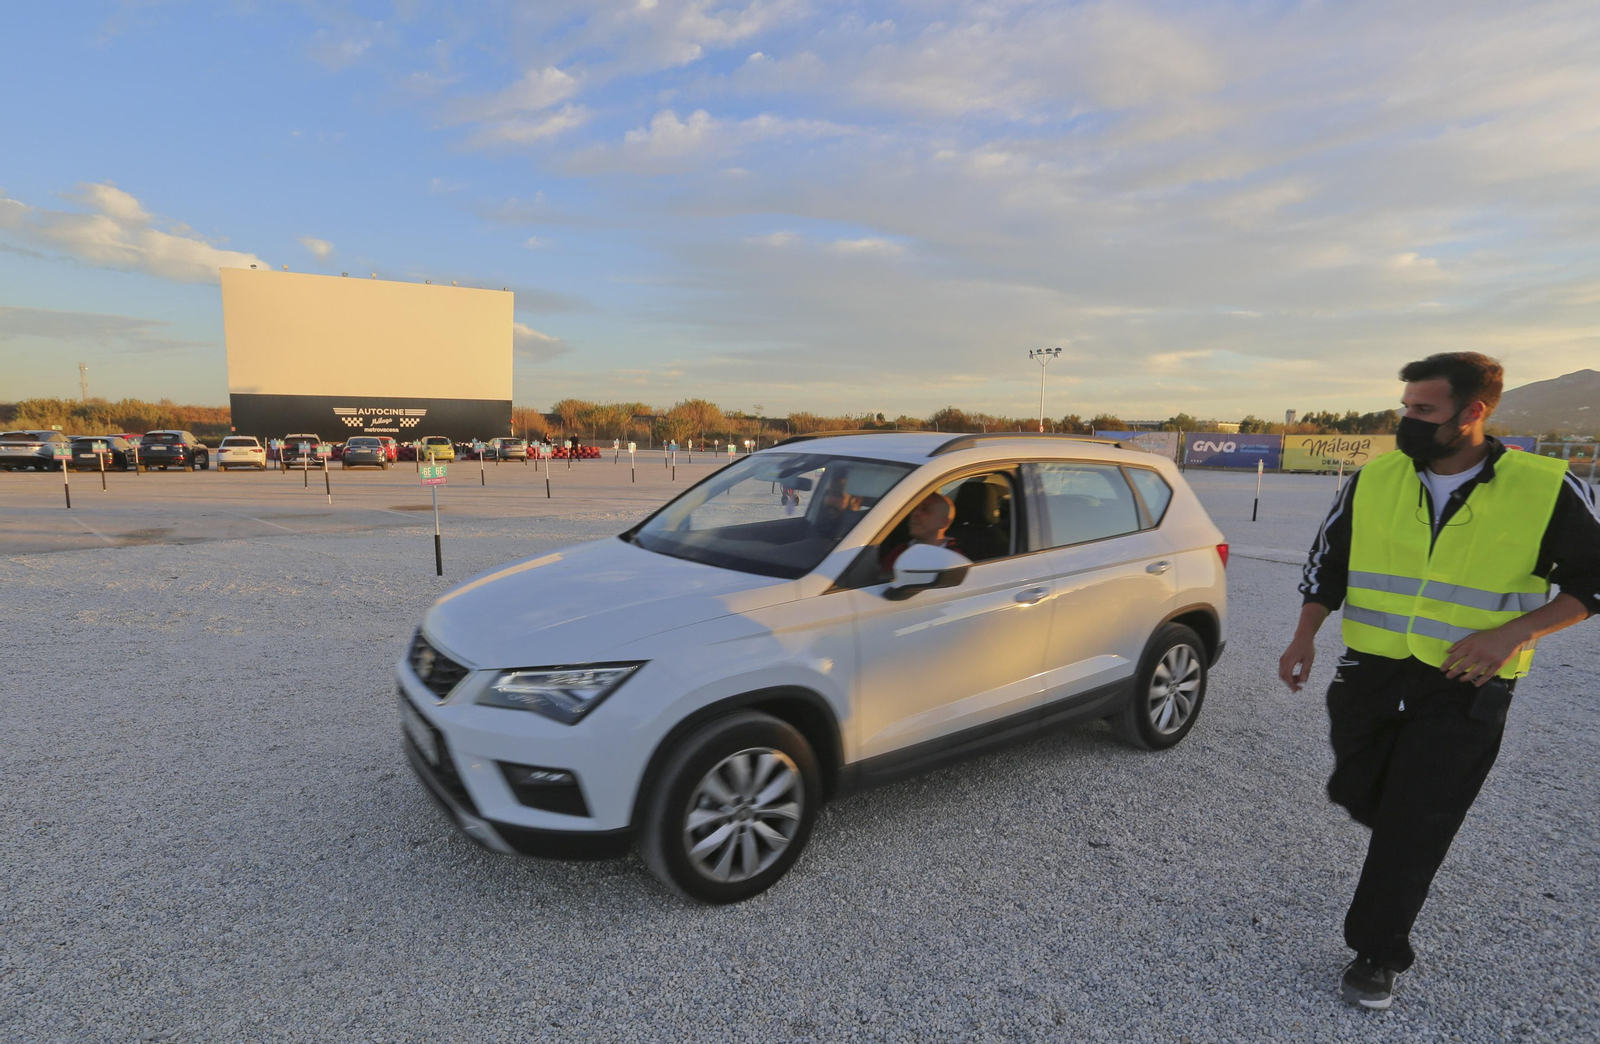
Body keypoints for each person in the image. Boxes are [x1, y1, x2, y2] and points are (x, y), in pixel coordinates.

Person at [1279, 352, 1600, 1011]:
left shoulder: (1545, 485)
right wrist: (1305, 633)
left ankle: (1377, 952)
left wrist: (1513, 633)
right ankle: (1394, 830)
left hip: (1467, 683)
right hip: (1368, 673)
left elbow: (1594, 581)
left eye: (1423, 411)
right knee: (1358, 788)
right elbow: (1328, 564)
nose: (1408, 421)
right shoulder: (1376, 479)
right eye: (1406, 408)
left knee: (1417, 817)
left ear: (1473, 412)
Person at [879, 492, 964, 573]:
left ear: (944, 522)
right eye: (914, 509)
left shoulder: (955, 559)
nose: (914, 513)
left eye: (925, 509)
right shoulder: (899, 551)